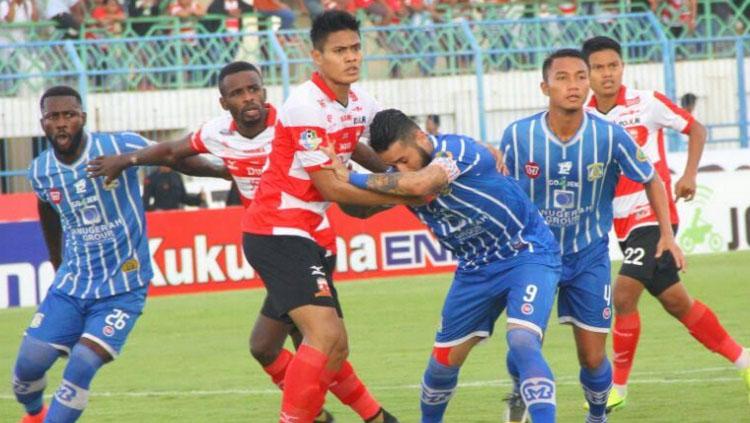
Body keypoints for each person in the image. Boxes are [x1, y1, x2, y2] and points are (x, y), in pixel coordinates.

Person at [86, 59, 392, 423]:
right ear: (224, 102)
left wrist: (390, 173)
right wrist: (127, 160)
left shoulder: (292, 120)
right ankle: (351, 415)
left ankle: (360, 416)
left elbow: (350, 144)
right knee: (265, 347)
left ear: (264, 91)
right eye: (238, 93)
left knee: (316, 343)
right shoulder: (218, 133)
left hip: (307, 241)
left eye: (254, 89)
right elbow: (173, 153)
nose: (249, 98)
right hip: (274, 241)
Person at [323, 109, 562, 423]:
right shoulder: (405, 180)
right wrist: (328, 172)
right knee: (441, 366)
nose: (399, 170)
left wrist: (352, 176)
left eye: (403, 160)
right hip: (474, 271)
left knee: (521, 341)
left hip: (527, 253)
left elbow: (422, 184)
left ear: (421, 138)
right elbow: (360, 210)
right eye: (393, 165)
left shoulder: (457, 150)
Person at [241, 11, 421, 423]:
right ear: (316, 57)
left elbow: (383, 143)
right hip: (277, 229)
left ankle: (376, 418)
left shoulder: (360, 102)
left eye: (355, 48)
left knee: (332, 345)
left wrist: (420, 165)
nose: (351, 57)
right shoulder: (305, 105)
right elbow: (333, 189)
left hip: (311, 232)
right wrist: (407, 190)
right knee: (322, 336)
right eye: (339, 51)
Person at [11, 86, 225, 423]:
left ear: (82, 117)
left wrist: (225, 171)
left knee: (82, 363)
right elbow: (47, 210)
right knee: (25, 373)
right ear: (44, 123)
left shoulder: (119, 146)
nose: (62, 123)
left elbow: (172, 157)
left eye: (69, 115)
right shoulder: (40, 170)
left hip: (123, 288)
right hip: (71, 287)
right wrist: (57, 263)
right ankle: (34, 415)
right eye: (54, 117)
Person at [499, 49, 686, 423]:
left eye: (580, 77)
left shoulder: (610, 136)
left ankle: (597, 415)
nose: (574, 85)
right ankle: (522, 390)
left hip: (588, 256)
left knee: (592, 358)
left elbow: (651, 178)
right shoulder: (519, 136)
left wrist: (668, 234)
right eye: (563, 77)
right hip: (536, 256)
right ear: (544, 86)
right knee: (524, 339)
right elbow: (502, 190)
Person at [582, 35, 749, 411]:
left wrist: (688, 174)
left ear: (622, 67)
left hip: (654, 215)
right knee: (677, 302)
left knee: (623, 294)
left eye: (613, 65)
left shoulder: (646, 103)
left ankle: (617, 389)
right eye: (598, 68)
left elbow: (696, 129)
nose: (607, 74)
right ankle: (744, 360)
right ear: (587, 73)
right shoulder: (585, 117)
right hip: (622, 224)